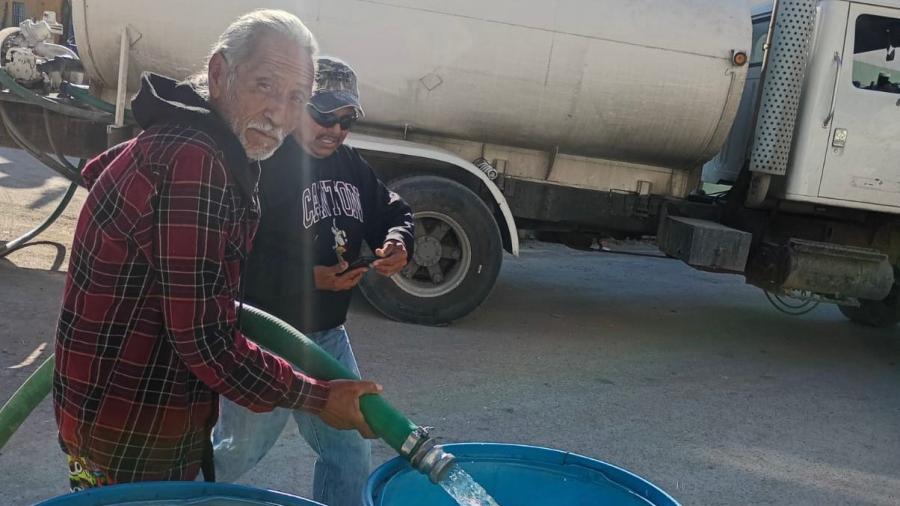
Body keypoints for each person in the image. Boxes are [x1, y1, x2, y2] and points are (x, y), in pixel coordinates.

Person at [53, 11, 381, 490]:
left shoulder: (184, 138)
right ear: (219, 73)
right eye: (265, 85)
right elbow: (205, 339)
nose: (279, 113)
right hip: (133, 424)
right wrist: (318, 396)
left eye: (296, 98)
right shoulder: (197, 161)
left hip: (109, 409)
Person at [213, 57, 414, 506]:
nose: (335, 130)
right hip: (262, 337)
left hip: (326, 336)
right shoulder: (261, 162)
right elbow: (228, 260)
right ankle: (160, 498)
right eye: (324, 115)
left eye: (346, 120)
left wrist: (398, 242)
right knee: (238, 451)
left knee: (350, 450)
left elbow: (393, 209)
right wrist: (309, 279)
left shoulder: (350, 164)